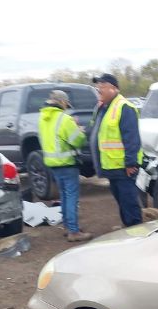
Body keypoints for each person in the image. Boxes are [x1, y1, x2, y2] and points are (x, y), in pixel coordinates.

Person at [88, 73, 143, 228]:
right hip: (111, 166)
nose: (99, 90)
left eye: (102, 86)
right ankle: (127, 227)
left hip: (124, 167)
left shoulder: (124, 107)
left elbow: (131, 137)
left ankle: (135, 232)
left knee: (129, 202)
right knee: (122, 201)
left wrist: (130, 162)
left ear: (114, 89)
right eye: (98, 87)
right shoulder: (104, 107)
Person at [38, 89, 92, 242]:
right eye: (66, 104)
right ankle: (74, 232)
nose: (67, 107)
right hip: (67, 164)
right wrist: (79, 130)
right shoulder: (65, 119)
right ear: (62, 102)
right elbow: (77, 140)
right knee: (71, 197)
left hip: (52, 164)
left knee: (64, 196)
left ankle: (69, 227)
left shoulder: (43, 117)